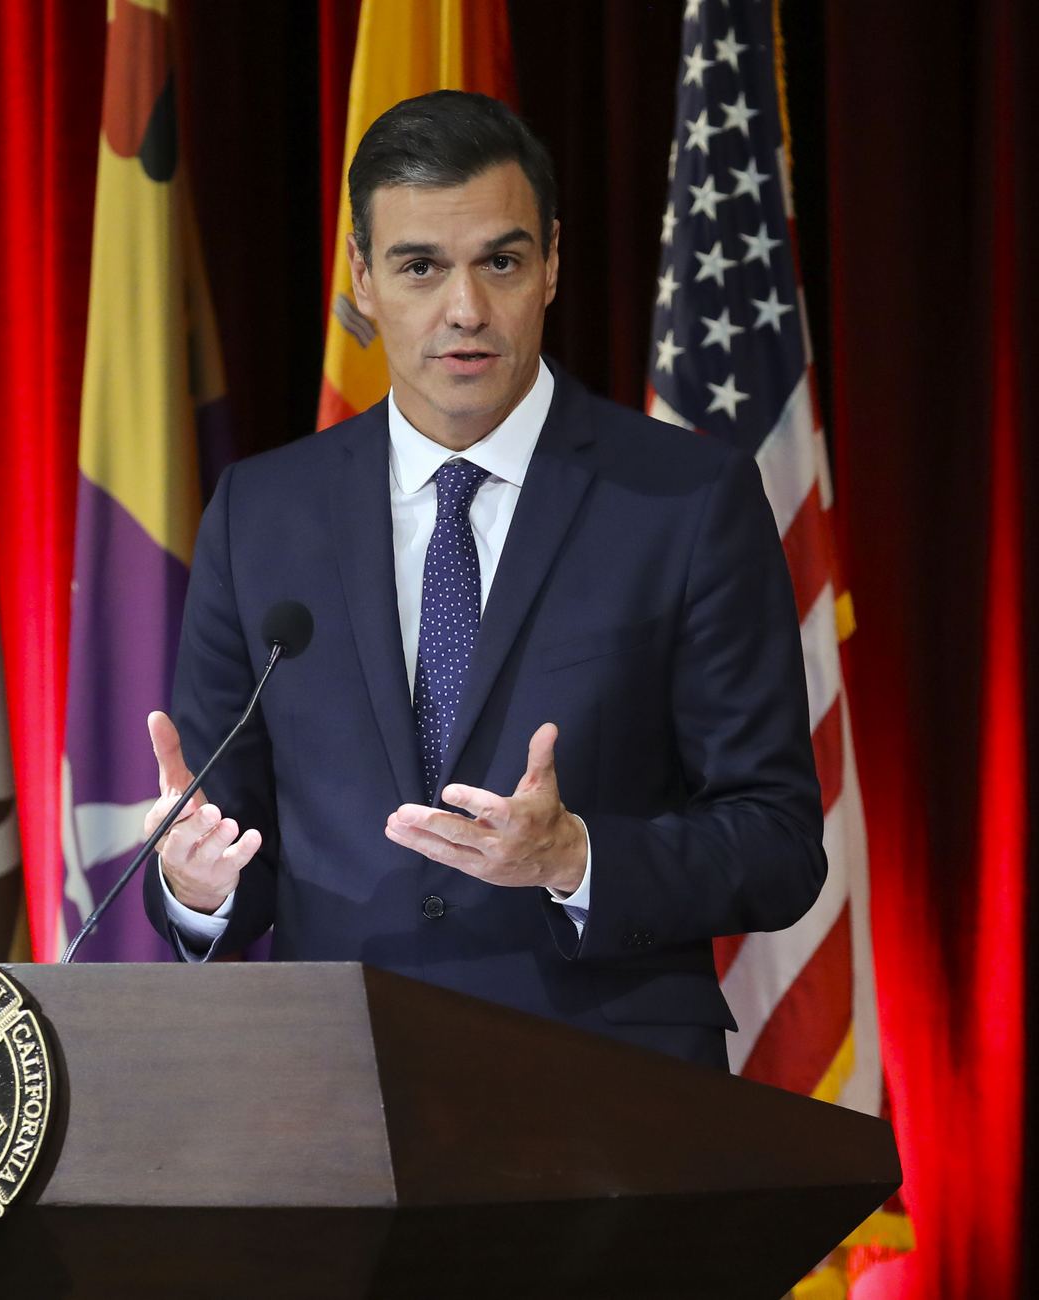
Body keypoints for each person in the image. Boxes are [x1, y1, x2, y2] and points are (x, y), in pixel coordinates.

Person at [139, 90, 824, 1068]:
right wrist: (195, 883)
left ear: (550, 264)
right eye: (420, 267)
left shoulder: (686, 500)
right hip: (336, 1089)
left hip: (612, 1095)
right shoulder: (262, 515)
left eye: (499, 261)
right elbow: (233, 843)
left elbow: (776, 842)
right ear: (363, 280)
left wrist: (575, 856)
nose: (465, 309)